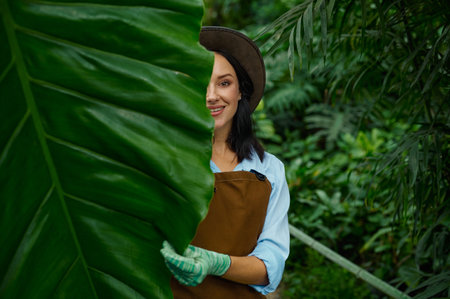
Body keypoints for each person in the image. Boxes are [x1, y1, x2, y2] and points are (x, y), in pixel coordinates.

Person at [160, 26, 290, 298]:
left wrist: (216, 263)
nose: (211, 96)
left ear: (241, 91)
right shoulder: (163, 158)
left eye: (224, 83)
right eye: (201, 83)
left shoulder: (269, 170)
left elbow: (271, 266)